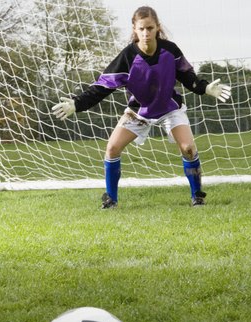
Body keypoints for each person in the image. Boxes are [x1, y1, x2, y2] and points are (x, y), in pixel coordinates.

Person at [52, 6, 231, 209]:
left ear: (157, 28)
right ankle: (111, 199)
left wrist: (204, 87)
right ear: (134, 30)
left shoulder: (170, 50)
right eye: (141, 29)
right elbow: (102, 87)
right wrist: (77, 103)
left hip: (169, 108)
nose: (146, 33)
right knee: (112, 148)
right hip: (139, 111)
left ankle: (197, 196)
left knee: (188, 148)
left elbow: (187, 75)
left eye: (150, 28)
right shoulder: (127, 57)